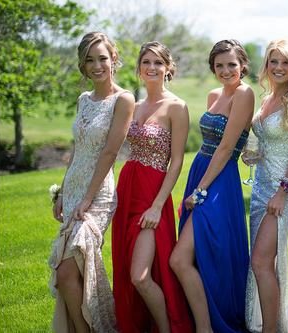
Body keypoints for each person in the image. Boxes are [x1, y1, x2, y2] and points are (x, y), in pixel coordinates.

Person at [49, 31, 135, 332]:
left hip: (97, 194)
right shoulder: (83, 100)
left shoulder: (123, 99)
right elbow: (77, 150)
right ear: (83, 66)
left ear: (114, 59)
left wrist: (87, 198)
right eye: (90, 60)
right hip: (73, 188)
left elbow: (111, 151)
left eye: (103, 58)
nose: (97, 65)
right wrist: (62, 192)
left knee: (67, 270)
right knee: (71, 275)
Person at [169, 39, 255, 333]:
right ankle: (202, 325)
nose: (226, 70)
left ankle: (208, 327)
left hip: (219, 181)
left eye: (232, 64)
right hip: (201, 170)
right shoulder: (213, 95)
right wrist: (197, 184)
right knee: (197, 255)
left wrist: (200, 190)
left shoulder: (244, 94)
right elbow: (209, 144)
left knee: (181, 258)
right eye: (219, 65)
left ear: (243, 64)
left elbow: (227, 146)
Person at [111, 41, 193, 333]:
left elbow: (177, 160)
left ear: (168, 68)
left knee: (140, 276)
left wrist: (158, 205)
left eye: (158, 62)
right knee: (126, 268)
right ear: (139, 68)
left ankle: (167, 328)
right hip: (128, 188)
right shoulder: (133, 104)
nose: (152, 67)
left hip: (152, 194)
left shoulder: (177, 107)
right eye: (147, 62)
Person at [244, 39, 288, 333]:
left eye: (286, 62)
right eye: (274, 61)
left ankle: (271, 329)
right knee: (263, 262)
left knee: (260, 262)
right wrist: (255, 155)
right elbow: (274, 143)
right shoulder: (268, 97)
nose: (279, 67)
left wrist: (282, 192)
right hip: (260, 189)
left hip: (283, 193)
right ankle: (269, 322)